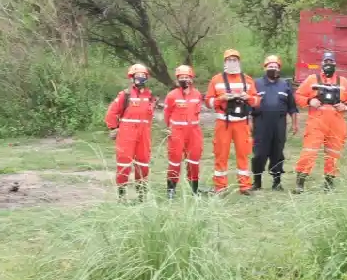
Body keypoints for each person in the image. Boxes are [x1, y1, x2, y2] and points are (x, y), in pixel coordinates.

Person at [295, 51, 347, 192]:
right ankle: (300, 183)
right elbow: (298, 95)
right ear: (321, 63)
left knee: (333, 154)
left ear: (335, 64)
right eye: (326, 61)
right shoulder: (312, 79)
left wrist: (345, 105)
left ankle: (329, 184)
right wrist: (310, 100)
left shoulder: (343, 82)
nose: (328, 64)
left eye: (331, 62)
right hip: (316, 122)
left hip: (336, 123)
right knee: (309, 151)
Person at [205, 49, 260, 195]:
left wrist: (246, 97)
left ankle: (245, 186)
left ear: (239, 62)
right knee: (221, 154)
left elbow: (256, 101)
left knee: (243, 153)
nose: (232, 62)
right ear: (225, 62)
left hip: (242, 123)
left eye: (235, 59)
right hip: (223, 123)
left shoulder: (247, 80)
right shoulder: (216, 80)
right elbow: (208, 102)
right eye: (229, 60)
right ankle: (220, 187)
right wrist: (221, 99)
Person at [104, 62, 156, 201]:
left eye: (143, 75)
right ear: (132, 77)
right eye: (137, 75)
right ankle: (122, 197)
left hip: (144, 135)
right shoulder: (125, 95)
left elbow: (149, 116)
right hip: (126, 135)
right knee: (124, 165)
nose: (140, 78)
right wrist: (113, 128)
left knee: (143, 165)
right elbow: (111, 113)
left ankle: (141, 197)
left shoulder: (149, 96)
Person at [252, 55, 299, 191]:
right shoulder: (257, 83)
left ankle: (277, 182)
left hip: (279, 124)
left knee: (277, 152)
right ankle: (257, 182)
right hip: (261, 123)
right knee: (259, 152)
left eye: (276, 66)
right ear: (265, 68)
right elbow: (249, 105)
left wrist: (295, 124)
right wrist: (249, 122)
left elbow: (292, 107)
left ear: (279, 69)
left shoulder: (285, 84)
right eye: (270, 66)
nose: (273, 68)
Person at [162, 64, 203, 199]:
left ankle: (194, 189)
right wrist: (169, 128)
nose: (184, 80)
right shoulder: (172, 95)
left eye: (187, 77)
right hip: (177, 132)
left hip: (194, 132)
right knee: (174, 161)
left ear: (191, 78)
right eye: (181, 77)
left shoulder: (197, 94)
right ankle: (171, 190)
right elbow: (167, 114)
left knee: (194, 161)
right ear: (177, 79)